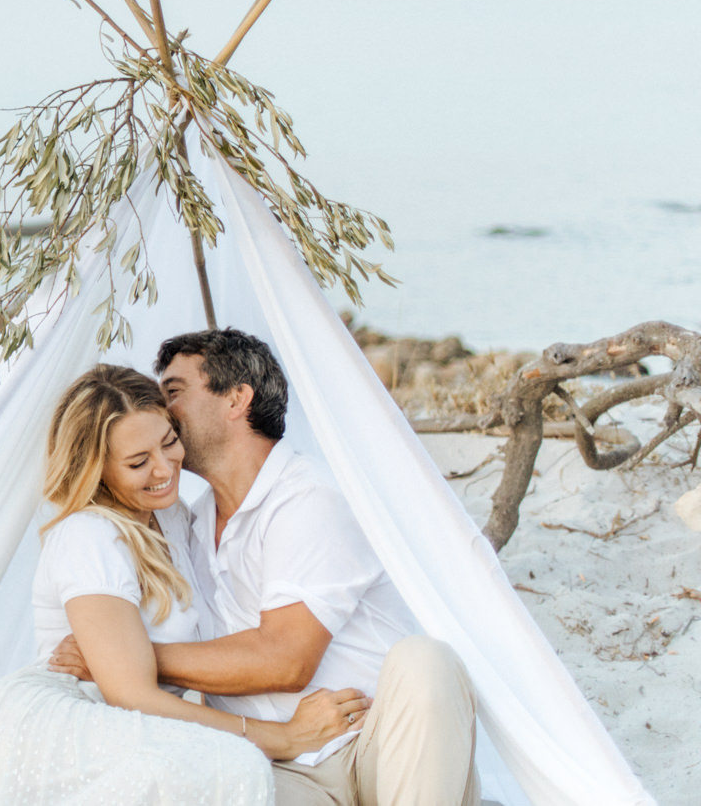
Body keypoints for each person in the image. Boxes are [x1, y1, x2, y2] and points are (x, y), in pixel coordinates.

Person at [0, 365, 366, 806]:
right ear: (98, 470)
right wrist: (280, 736)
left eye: (170, 441)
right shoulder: (90, 536)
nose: (165, 469)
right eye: (138, 462)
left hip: (130, 719)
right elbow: (131, 693)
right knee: (233, 764)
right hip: (70, 719)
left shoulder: (175, 518)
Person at [51, 329, 482, 806]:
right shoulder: (185, 525)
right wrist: (121, 661)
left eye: (173, 392)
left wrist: (119, 659)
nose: (162, 410)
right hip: (277, 767)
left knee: (426, 662)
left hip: (373, 744)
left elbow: (286, 659)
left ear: (237, 399)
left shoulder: (308, 498)